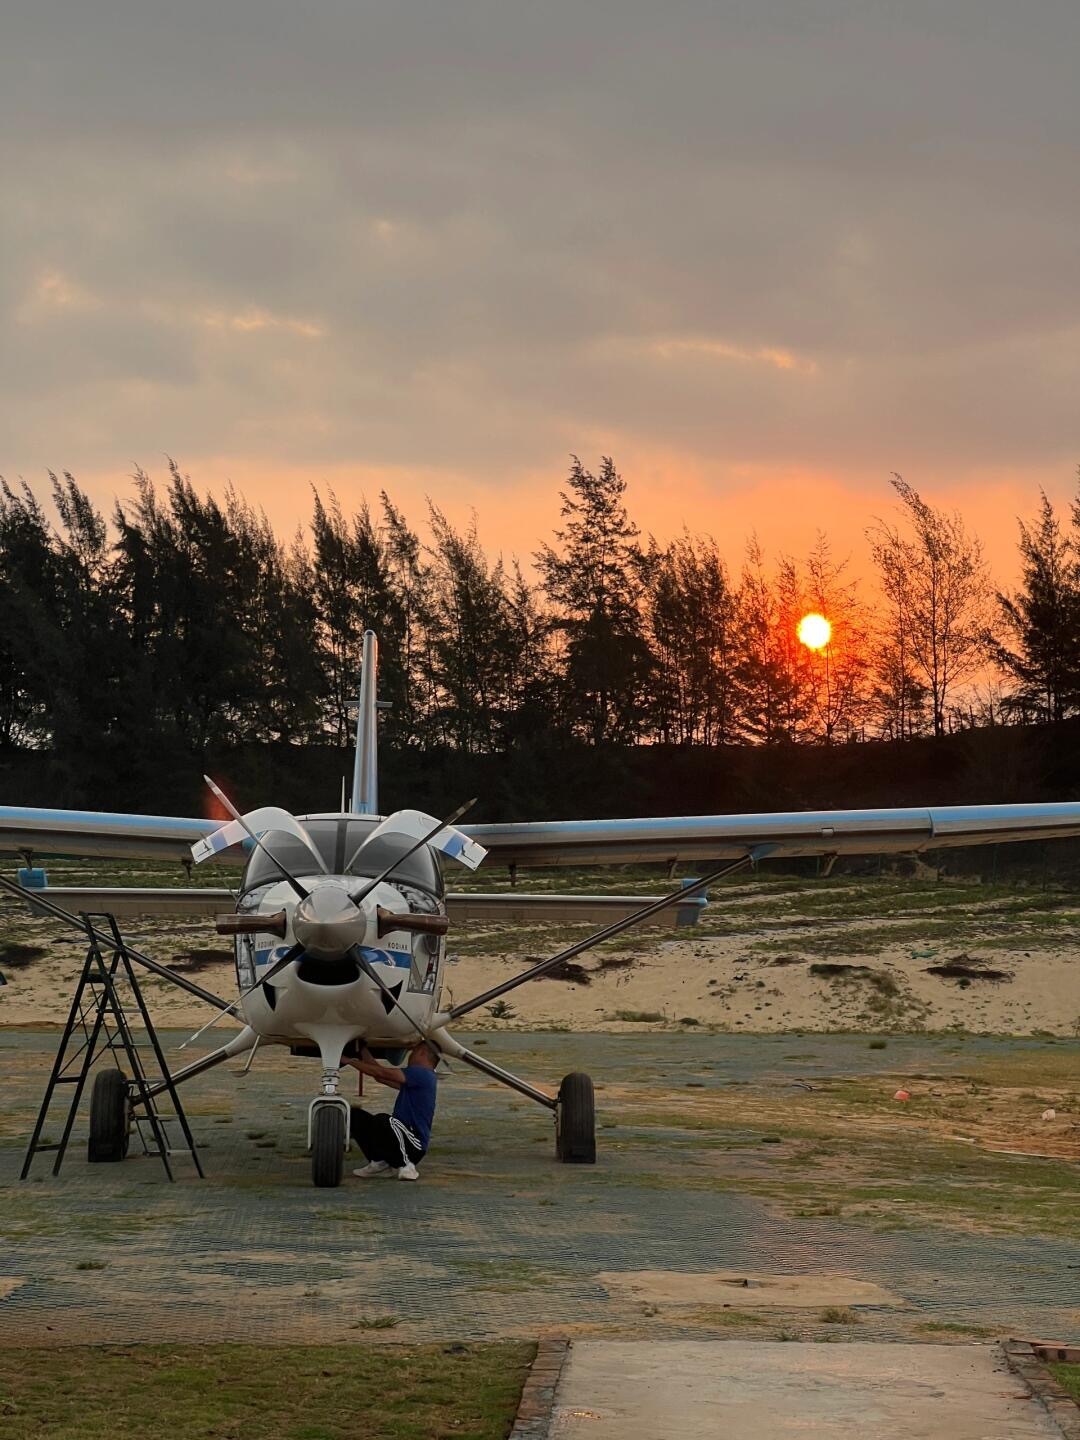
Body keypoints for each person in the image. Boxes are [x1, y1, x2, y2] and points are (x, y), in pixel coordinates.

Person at [345, 1039, 440, 1182]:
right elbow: (379, 1075)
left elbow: (380, 1071)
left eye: (412, 1052)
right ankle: (380, 1162)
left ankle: (407, 1164)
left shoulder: (422, 1074)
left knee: (383, 1121)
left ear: (422, 1052)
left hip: (414, 1145)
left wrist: (348, 1060)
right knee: (355, 1115)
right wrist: (363, 1050)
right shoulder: (418, 1078)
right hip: (400, 1134)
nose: (410, 1055)